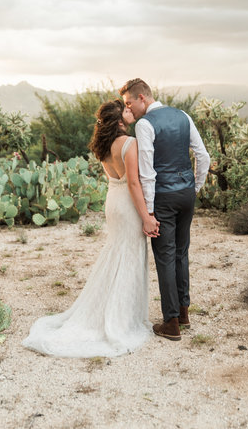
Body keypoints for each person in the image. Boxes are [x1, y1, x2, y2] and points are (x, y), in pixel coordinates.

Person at [22, 99, 159, 358]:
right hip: (128, 205)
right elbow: (133, 184)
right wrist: (147, 217)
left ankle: (112, 310)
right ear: (120, 120)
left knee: (116, 253)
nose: (131, 112)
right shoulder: (130, 144)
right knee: (129, 255)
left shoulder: (105, 146)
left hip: (112, 203)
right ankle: (121, 319)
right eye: (126, 111)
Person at [120, 79, 210, 341]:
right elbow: (202, 155)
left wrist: (148, 213)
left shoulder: (145, 125)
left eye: (129, 103)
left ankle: (170, 323)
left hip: (163, 197)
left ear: (142, 98)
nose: (129, 110)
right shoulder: (183, 116)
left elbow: (147, 173)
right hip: (186, 194)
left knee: (166, 257)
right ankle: (183, 313)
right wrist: (195, 188)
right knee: (181, 252)